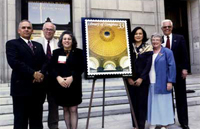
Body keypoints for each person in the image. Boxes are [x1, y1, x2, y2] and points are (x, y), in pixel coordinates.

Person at [6, 20, 46, 129]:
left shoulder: (38, 45)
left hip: (37, 90)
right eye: (23, 28)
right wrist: (33, 73)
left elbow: (45, 62)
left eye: (29, 28)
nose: (26, 29)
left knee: (37, 122)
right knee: (20, 122)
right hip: (21, 90)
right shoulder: (12, 44)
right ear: (19, 31)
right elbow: (14, 62)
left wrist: (41, 74)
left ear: (32, 30)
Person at [49, 31, 84, 129]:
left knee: (73, 109)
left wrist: (72, 77)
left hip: (74, 84)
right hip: (61, 85)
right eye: (64, 39)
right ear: (61, 40)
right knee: (65, 109)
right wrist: (58, 78)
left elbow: (82, 67)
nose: (67, 41)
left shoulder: (79, 52)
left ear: (72, 41)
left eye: (69, 39)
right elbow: (52, 68)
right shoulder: (56, 53)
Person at [161, 19, 190, 129]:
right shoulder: (159, 40)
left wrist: (185, 68)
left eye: (169, 27)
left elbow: (184, 54)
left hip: (178, 73)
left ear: (172, 27)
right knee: (167, 98)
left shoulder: (180, 38)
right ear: (162, 29)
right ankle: (169, 119)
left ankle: (184, 122)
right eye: (164, 27)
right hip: (164, 74)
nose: (167, 28)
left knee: (181, 97)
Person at [147, 33, 176, 129]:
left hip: (163, 82)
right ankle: (153, 122)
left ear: (161, 41)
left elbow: (172, 67)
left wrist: (170, 81)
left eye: (157, 40)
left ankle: (164, 123)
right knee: (153, 103)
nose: (155, 41)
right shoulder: (149, 52)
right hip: (151, 81)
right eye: (153, 39)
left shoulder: (167, 52)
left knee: (163, 103)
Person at [127, 27, 153, 129]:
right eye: (136, 33)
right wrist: (128, 78)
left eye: (140, 33)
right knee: (133, 103)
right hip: (130, 80)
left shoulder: (148, 48)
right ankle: (135, 125)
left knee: (142, 104)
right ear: (133, 35)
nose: (138, 35)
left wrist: (141, 78)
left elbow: (148, 65)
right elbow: (124, 63)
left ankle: (141, 125)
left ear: (143, 35)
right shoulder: (128, 48)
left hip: (143, 80)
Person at [34, 22, 59, 129]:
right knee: (37, 104)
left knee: (54, 104)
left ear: (54, 32)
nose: (49, 31)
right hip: (40, 79)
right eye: (47, 29)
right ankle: (37, 126)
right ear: (43, 30)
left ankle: (53, 125)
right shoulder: (35, 42)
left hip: (54, 79)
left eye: (51, 30)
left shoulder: (59, 43)